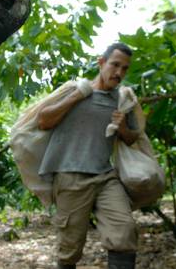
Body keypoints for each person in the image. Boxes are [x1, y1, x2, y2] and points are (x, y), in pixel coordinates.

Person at [37, 43, 140, 269]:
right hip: (70, 177)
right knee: (69, 249)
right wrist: (78, 96)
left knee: (124, 231)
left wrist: (122, 128)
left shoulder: (123, 100)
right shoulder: (75, 89)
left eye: (125, 68)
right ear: (101, 63)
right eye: (115, 65)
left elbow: (132, 138)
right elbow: (43, 121)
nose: (119, 73)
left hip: (105, 176)